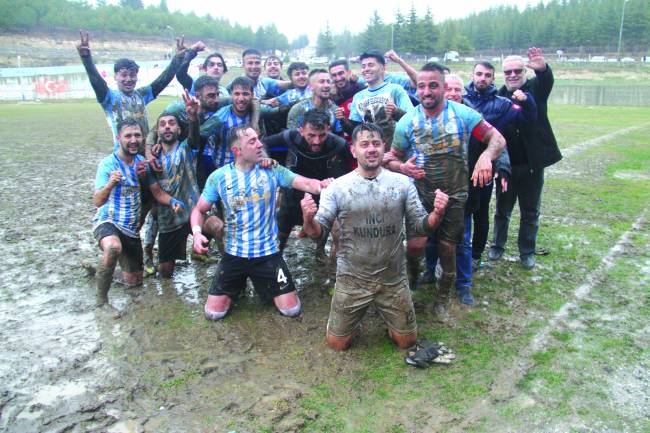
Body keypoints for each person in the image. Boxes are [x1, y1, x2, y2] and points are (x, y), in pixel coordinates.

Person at [301, 123, 449, 351]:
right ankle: (353, 321)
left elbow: (421, 226)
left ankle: (390, 318)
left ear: (384, 148)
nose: (371, 149)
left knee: (407, 342)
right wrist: (308, 219)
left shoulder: (402, 183)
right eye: (364, 144)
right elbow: (317, 235)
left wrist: (437, 214)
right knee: (337, 344)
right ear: (353, 150)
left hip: (392, 277)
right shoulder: (338, 188)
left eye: (376, 144)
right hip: (352, 278)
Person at [386, 62, 506, 320]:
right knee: (415, 246)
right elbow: (391, 158)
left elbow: (498, 139)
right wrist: (402, 167)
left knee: (447, 248)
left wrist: (486, 157)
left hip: (454, 196)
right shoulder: (407, 122)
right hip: (420, 196)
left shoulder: (463, 114)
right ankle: (413, 283)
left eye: (433, 85)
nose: (427, 91)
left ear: (442, 87)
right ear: (415, 88)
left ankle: (443, 298)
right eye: (421, 86)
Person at [190, 125, 332, 320]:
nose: (259, 144)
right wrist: (197, 233)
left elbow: (307, 183)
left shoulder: (272, 169)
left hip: (267, 254)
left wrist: (323, 185)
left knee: (291, 310)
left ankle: (261, 283)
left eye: (258, 139)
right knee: (213, 314)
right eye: (252, 141)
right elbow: (199, 210)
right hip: (234, 254)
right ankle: (237, 284)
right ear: (236, 151)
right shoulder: (219, 177)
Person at [92, 119, 179, 308]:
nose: (133, 140)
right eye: (128, 136)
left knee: (135, 281)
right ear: (118, 138)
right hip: (108, 221)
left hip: (131, 230)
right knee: (113, 247)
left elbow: (154, 194)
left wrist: (172, 201)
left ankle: (100, 270)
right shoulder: (108, 165)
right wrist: (110, 184)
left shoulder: (142, 164)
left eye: (137, 135)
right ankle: (101, 302)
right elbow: (97, 201)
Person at [489, 48, 562, 269]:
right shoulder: (498, 97)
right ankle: (497, 246)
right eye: (508, 71)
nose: (512, 75)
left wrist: (544, 70)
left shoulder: (536, 89)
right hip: (507, 167)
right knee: (502, 210)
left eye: (517, 71)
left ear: (524, 72)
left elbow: (546, 81)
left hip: (532, 165)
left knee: (530, 211)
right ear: (503, 74)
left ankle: (527, 251)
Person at [147, 92, 223, 277]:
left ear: (179, 130)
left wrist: (192, 117)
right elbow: (155, 192)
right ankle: (149, 258)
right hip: (169, 220)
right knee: (165, 273)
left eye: (171, 123)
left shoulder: (187, 150)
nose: (167, 127)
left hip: (195, 211)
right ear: (158, 132)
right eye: (162, 124)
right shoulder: (151, 161)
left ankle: (232, 266)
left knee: (219, 226)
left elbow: (195, 137)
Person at [76, 30, 187, 150]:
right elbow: (97, 81)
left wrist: (178, 59)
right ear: (115, 77)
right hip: (123, 155)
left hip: (144, 154)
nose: (128, 79)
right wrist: (86, 59)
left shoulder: (141, 95)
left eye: (132, 75)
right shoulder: (110, 98)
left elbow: (162, 81)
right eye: (124, 75)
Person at [263, 108, 353, 253]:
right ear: (301, 131)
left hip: (322, 200)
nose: (317, 141)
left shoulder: (338, 144)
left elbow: (354, 168)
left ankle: (323, 266)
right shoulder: (291, 137)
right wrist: (265, 158)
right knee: (275, 245)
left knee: (329, 243)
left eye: (322, 135)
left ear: (329, 130)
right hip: (292, 199)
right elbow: (264, 143)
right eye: (311, 135)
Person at [341, 50, 414, 147]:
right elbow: (355, 131)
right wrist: (343, 120)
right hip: (372, 152)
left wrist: (396, 112)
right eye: (363, 66)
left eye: (371, 65)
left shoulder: (395, 90)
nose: (366, 69)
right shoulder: (358, 97)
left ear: (383, 68)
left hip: (397, 150)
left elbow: (412, 120)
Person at [287, 69, 342, 134]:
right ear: (310, 87)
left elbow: (339, 137)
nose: (326, 85)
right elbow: (292, 137)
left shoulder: (335, 110)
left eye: (328, 82)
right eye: (322, 82)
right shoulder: (298, 109)